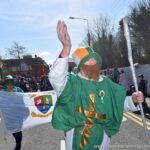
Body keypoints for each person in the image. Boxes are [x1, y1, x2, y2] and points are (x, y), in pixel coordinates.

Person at [49, 20, 144, 150]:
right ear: (81, 66)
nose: (94, 63)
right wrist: (66, 49)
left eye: (95, 60)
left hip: (101, 140)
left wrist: (132, 100)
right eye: (88, 61)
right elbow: (56, 77)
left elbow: (117, 105)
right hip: (78, 138)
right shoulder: (72, 84)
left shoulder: (106, 83)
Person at [3, 75, 23, 150]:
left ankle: (18, 145)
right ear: (5, 84)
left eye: (11, 83)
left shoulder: (18, 90)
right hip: (9, 116)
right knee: (14, 131)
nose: (9, 85)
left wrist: (16, 96)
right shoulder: (3, 93)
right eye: (8, 83)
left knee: (18, 131)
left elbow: (25, 99)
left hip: (18, 115)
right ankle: (18, 144)